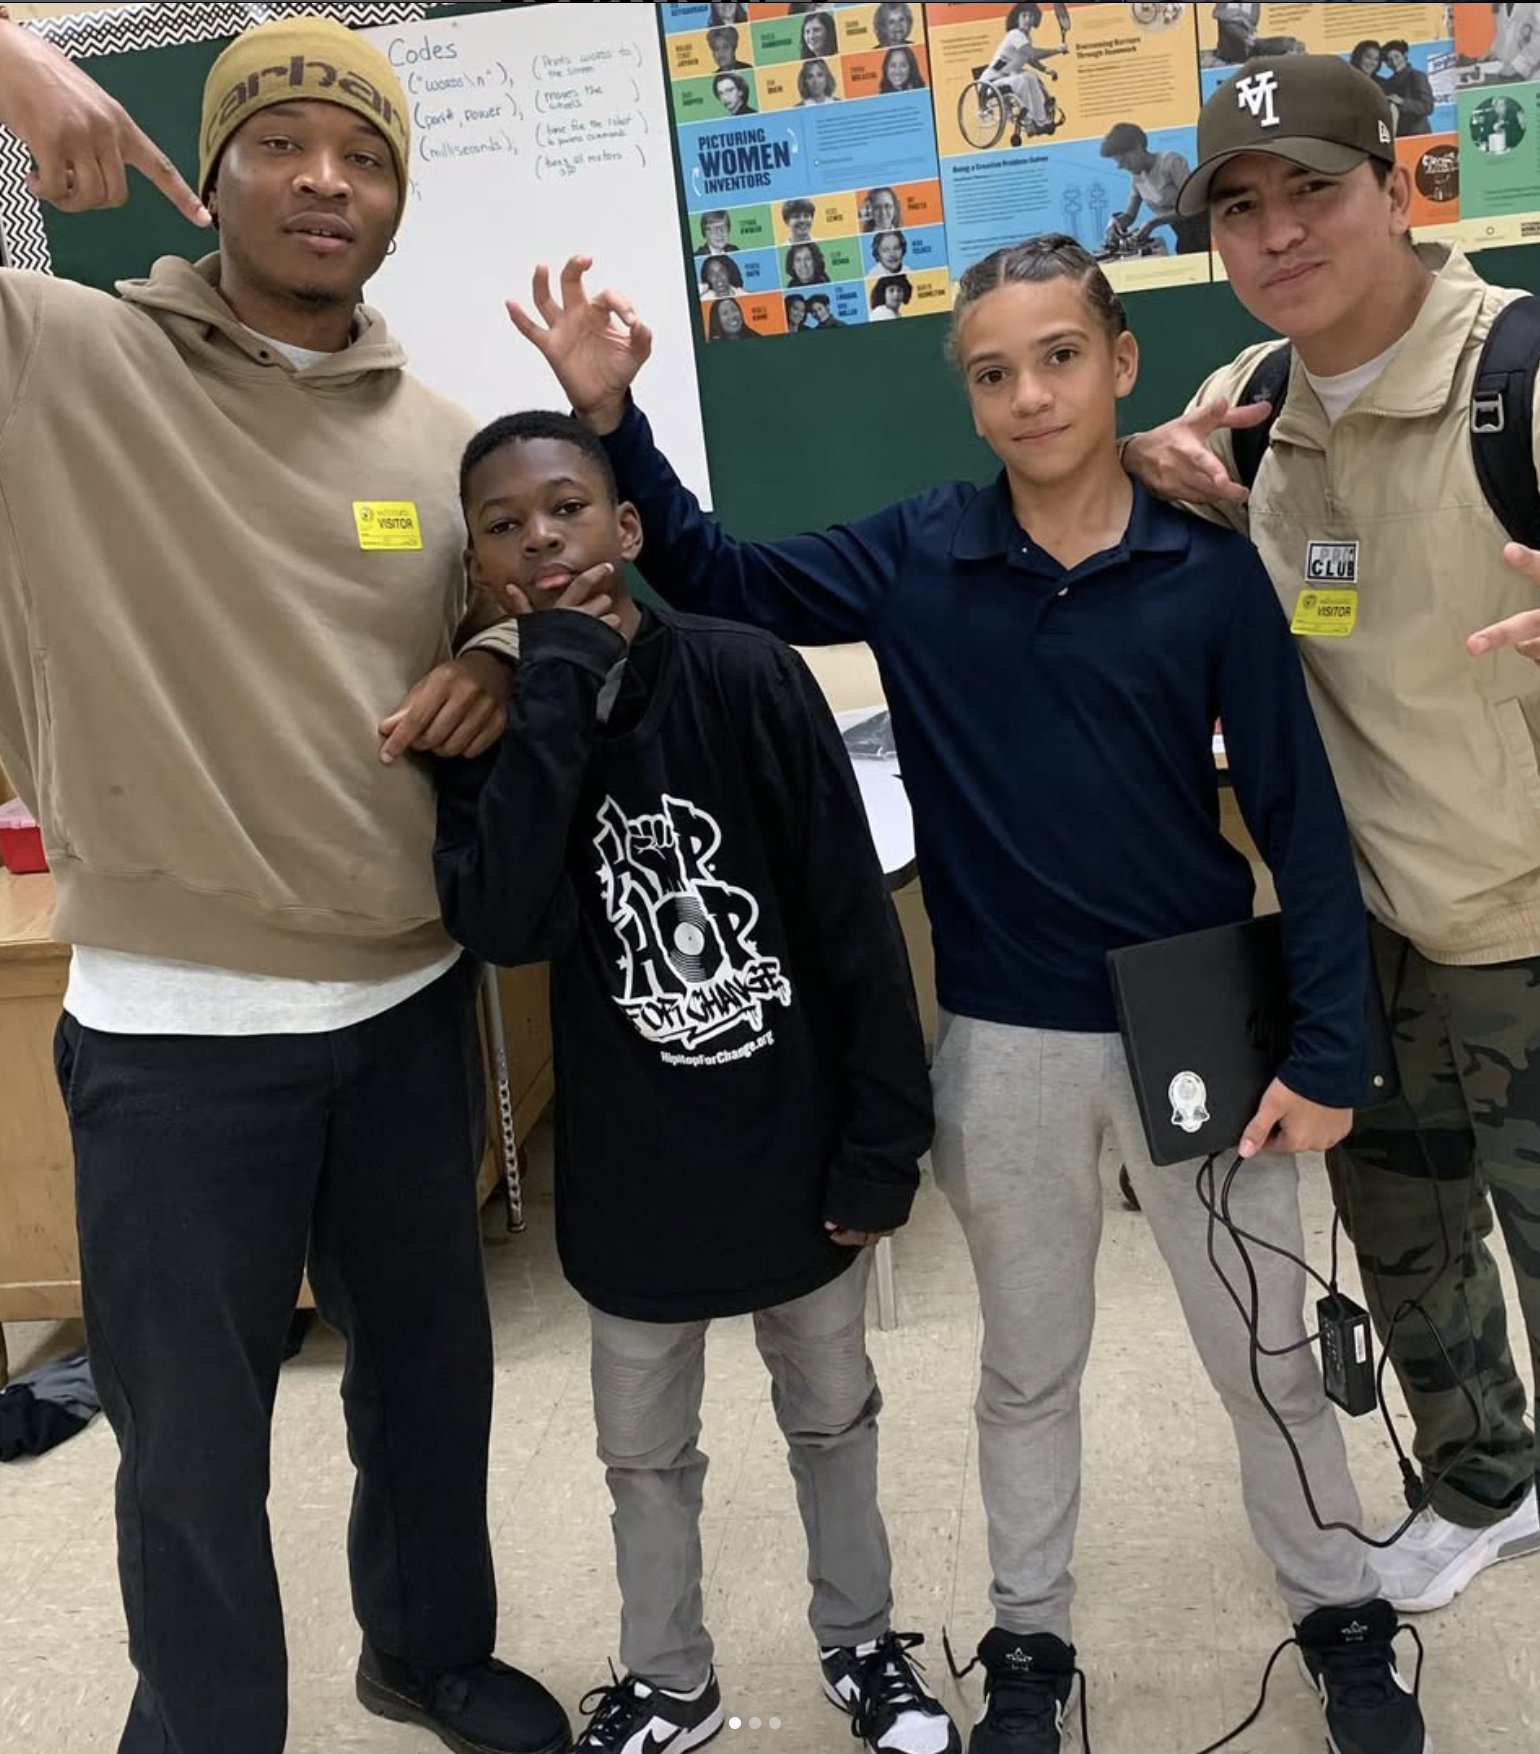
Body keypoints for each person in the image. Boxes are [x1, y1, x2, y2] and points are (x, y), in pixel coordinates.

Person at [508, 244, 1431, 1754]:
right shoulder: (918, 553)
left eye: (1059, 358)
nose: (1028, 394)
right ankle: (1028, 1637)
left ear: (1122, 362)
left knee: (1264, 1349)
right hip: (1004, 1036)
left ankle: (1340, 1612)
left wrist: (1330, 1045)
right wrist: (615, 424)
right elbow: (721, 574)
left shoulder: (1206, 567)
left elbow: (1297, 812)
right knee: (1026, 1360)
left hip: (1200, 1019)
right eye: (994, 372)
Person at [0, 14, 571, 1754]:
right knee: (189, 1439)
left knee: (427, 1388)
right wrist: (6, 50)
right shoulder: (54, 359)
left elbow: (537, 597)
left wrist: (491, 638)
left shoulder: (445, 434)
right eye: (281, 141)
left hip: (405, 1002)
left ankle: (428, 1647)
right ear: (211, 169)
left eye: (367, 153)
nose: (326, 177)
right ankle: (207, 1722)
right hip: (176, 1036)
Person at [433, 410, 960, 1754]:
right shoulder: (491, 720)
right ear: (485, 566)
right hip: (634, 1171)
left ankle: (863, 1644)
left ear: (626, 528)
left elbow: (855, 928)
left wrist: (882, 1146)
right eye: (505, 524)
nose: (541, 536)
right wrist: (548, 692)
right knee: (642, 1452)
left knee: (833, 1414)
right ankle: (671, 1676)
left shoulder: (744, 676)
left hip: (792, 1146)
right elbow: (503, 923)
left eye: (566, 507)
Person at [1124, 50, 1540, 1621]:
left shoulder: (1522, 370)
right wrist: (1185, 490)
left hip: (1521, 905)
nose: (1280, 234)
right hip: (1355, 920)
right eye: (1241, 207)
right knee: (1406, 1224)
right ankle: (1484, 1480)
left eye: (1314, 189)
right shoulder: (1257, 398)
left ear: (1398, 182)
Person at [1099, 122, 1209, 254]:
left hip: (1206, 230)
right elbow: (1130, 216)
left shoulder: (1171, 162)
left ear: (1138, 147)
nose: (1124, 167)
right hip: (1183, 233)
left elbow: (1192, 206)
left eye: (1125, 160)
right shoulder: (1137, 178)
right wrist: (1116, 222)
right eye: (1120, 164)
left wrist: (1153, 222)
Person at [980, 5, 1067, 141]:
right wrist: (1057, 50)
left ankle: (1042, 121)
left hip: (1008, 78)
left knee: (1031, 76)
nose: (1028, 19)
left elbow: (1029, 58)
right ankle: (1029, 122)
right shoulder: (1015, 35)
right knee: (1024, 79)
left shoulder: (1026, 39)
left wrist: (1045, 69)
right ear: (1017, 19)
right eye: (1024, 16)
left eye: (1031, 16)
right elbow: (1032, 53)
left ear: (1035, 19)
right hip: (990, 83)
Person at [1212, 3, 1304, 62]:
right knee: (1227, 23)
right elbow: (1216, 14)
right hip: (1227, 49)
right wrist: (1240, 15)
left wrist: (1232, 15)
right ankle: (1251, 41)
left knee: (1260, 44)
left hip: (1244, 48)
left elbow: (1253, 20)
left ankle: (1288, 43)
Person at [1382, 40, 1435, 136]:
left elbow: (1428, 107)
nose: (1394, 62)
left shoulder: (1418, 76)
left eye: (1397, 57)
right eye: (1389, 59)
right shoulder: (1387, 83)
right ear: (1386, 63)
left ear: (1405, 55)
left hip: (1418, 135)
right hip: (1398, 136)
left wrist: (1402, 101)